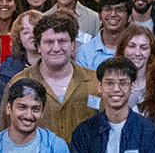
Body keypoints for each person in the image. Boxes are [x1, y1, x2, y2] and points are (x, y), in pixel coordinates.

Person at [9, 11, 102, 140]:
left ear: (73, 45)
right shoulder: (20, 83)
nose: (56, 48)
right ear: (39, 46)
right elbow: (8, 133)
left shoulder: (94, 82)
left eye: (62, 41)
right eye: (49, 42)